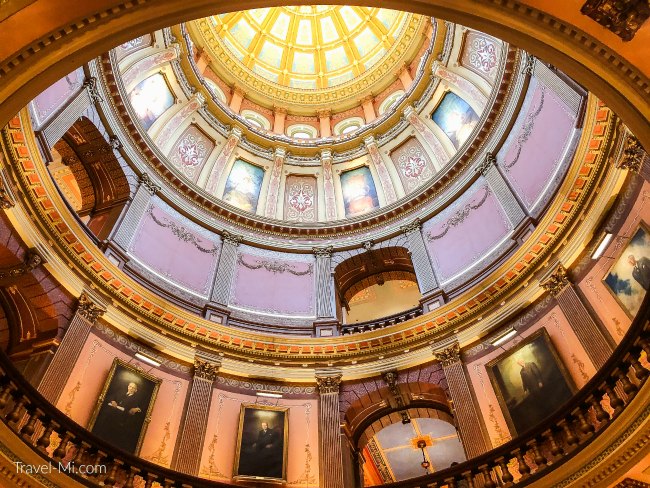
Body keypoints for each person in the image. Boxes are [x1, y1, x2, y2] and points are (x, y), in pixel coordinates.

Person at [91, 381, 144, 453]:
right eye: (130, 386)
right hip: (110, 416)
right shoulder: (120, 392)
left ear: (136, 390)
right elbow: (110, 397)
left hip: (121, 420)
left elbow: (139, 409)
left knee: (111, 438)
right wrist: (112, 401)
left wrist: (137, 409)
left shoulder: (136, 399)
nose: (130, 388)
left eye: (133, 388)